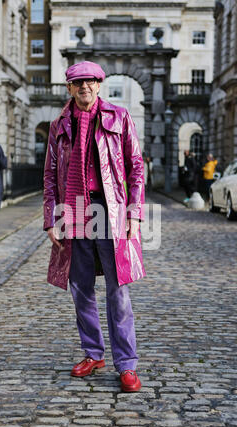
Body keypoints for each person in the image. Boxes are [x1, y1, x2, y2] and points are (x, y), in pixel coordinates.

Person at [43, 61, 145, 392]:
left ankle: (126, 364)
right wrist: (51, 219)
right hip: (73, 210)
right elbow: (48, 175)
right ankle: (93, 353)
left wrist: (134, 213)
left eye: (90, 81)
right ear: (69, 88)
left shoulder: (119, 117)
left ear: (100, 85)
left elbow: (136, 168)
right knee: (81, 287)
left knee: (118, 289)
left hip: (111, 211)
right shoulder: (59, 124)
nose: (84, 86)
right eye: (77, 82)